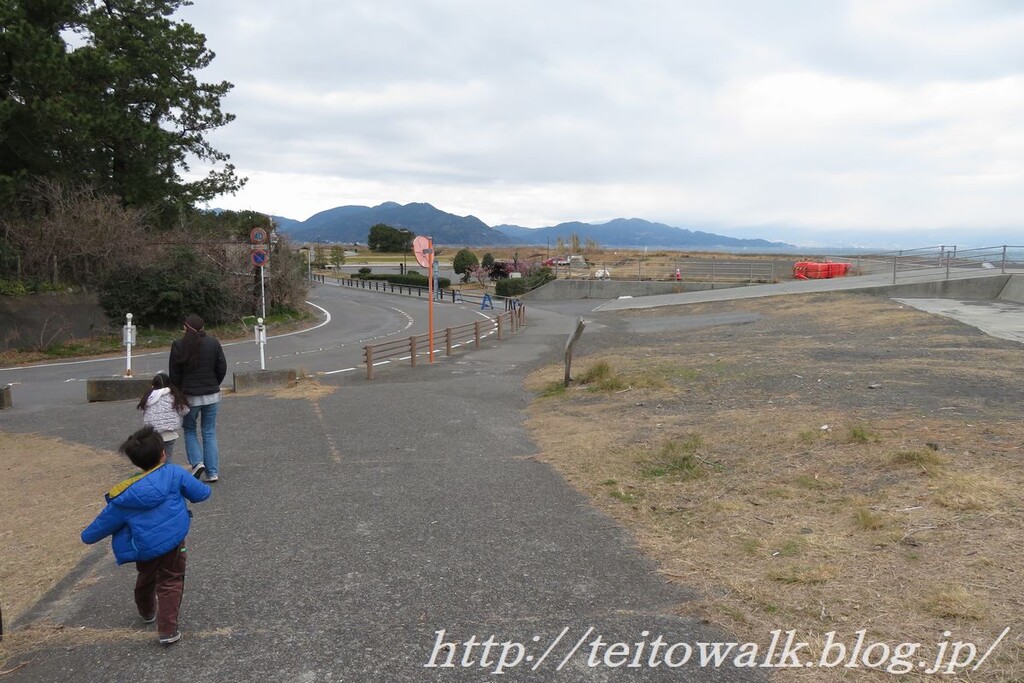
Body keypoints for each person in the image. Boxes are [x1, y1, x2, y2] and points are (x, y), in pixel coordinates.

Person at [81, 426, 211, 646]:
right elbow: (202, 493)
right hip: (173, 541)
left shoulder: (124, 494)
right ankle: (168, 630)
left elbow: (97, 528)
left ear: (135, 462)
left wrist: (86, 535)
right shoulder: (175, 473)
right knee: (171, 580)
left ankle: (147, 612)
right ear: (163, 453)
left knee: (147, 576)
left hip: (144, 547)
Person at [169, 314, 227, 483]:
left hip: (189, 397)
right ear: (202, 327)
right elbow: (221, 367)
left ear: (186, 327)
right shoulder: (213, 343)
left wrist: (178, 393)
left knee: (189, 429)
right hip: (212, 395)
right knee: (209, 431)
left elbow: (175, 374)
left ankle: (197, 463)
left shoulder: (179, 345)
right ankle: (213, 472)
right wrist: (214, 383)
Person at [138, 372, 190, 462]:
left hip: (153, 435)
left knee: (155, 459)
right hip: (169, 433)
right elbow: (185, 410)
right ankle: (167, 474)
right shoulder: (173, 395)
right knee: (168, 458)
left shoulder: (148, 396)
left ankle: (156, 474)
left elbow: (143, 411)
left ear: (153, 384)